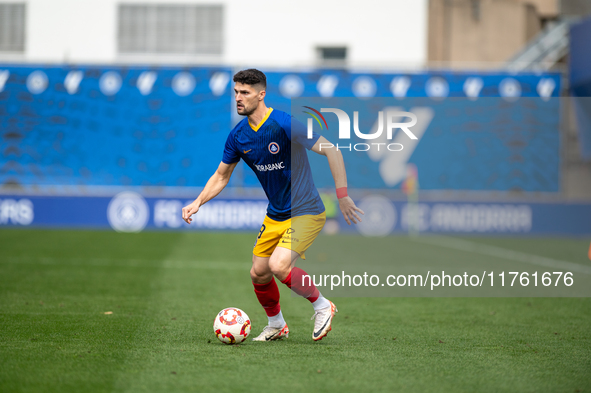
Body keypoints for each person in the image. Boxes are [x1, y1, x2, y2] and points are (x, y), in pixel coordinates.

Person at [182, 69, 363, 341]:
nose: (238, 98)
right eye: (236, 93)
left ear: (261, 94)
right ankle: (277, 325)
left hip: (307, 211)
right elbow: (222, 175)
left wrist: (343, 194)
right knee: (258, 273)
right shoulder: (238, 136)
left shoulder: (285, 123)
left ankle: (323, 306)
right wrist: (198, 201)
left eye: (245, 93)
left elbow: (332, 149)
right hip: (276, 214)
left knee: (279, 265)